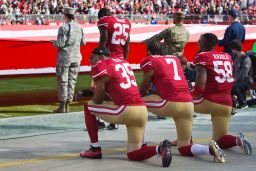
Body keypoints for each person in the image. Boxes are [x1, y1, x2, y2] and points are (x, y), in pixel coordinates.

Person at [79, 47, 172, 168]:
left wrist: (90, 93)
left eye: (92, 57)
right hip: (141, 110)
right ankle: (160, 148)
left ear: (101, 57)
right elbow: (117, 92)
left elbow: (97, 100)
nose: (90, 61)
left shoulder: (101, 65)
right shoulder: (124, 62)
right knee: (133, 154)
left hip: (126, 110)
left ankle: (94, 149)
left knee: (88, 107)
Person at [140, 41, 227, 163]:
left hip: (171, 103)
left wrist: (143, 93)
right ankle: (209, 150)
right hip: (188, 103)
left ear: (149, 51)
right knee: (184, 147)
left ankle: (140, 143)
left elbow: (143, 88)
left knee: (137, 103)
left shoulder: (150, 60)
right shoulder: (175, 59)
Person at [192, 33, 252, 155]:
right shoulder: (227, 56)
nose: (198, 42)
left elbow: (199, 87)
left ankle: (184, 139)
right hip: (227, 102)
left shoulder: (202, 56)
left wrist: (189, 94)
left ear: (205, 42)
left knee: (181, 104)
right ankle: (237, 140)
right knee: (219, 140)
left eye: (200, 40)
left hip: (210, 100)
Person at [75, 8, 132, 129]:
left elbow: (104, 39)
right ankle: (114, 121)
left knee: (97, 87)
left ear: (101, 16)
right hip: (120, 60)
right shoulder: (126, 22)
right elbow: (127, 45)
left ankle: (97, 120)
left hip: (107, 59)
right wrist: (124, 61)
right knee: (114, 90)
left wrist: (98, 57)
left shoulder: (104, 21)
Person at [51, 7, 86, 113]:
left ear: (65, 15)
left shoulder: (64, 28)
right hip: (76, 58)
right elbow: (83, 43)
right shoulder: (79, 27)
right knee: (72, 82)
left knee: (63, 82)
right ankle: (68, 105)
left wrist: (53, 42)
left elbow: (60, 44)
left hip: (65, 58)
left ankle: (62, 107)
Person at [230, 40, 252, 109]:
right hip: (240, 81)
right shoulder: (236, 58)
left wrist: (234, 80)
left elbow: (244, 74)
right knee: (230, 84)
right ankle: (242, 102)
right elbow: (235, 71)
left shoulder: (246, 58)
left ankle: (243, 103)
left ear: (234, 49)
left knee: (232, 86)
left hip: (247, 81)